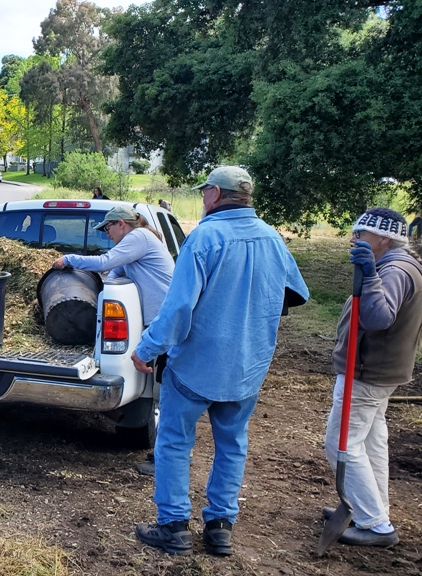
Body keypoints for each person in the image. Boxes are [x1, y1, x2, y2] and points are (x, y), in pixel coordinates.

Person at [128, 166, 309, 556]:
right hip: (247, 366)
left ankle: (174, 527)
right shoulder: (272, 237)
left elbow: (178, 310)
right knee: (232, 444)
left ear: (213, 194)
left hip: (195, 366)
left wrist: (147, 349)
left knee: (175, 442)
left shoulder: (204, 237)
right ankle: (220, 528)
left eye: (204, 191)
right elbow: (294, 295)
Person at [323, 208, 422, 548]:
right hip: (380, 371)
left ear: (383, 238)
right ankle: (372, 507)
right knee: (371, 441)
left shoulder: (394, 270)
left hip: (368, 372)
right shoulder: (400, 265)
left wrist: (369, 275)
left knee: (340, 444)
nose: (354, 240)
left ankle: (375, 523)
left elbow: (379, 318)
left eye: (361, 234)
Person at [52, 204, 175, 476]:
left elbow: (105, 262)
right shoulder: (135, 246)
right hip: (158, 323)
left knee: (166, 392)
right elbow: (115, 273)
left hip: (166, 323)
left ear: (121, 223)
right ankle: (165, 456)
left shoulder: (139, 237)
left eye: (107, 228)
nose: (106, 234)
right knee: (162, 389)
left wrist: (69, 259)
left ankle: (166, 461)